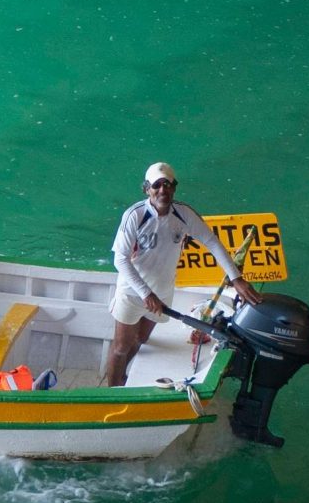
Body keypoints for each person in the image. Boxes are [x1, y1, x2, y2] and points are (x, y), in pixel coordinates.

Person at [103, 160, 259, 387]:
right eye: (156, 185)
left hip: (162, 292)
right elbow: (120, 260)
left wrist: (236, 279)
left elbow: (212, 242)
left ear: (174, 187)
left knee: (141, 338)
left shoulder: (184, 214)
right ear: (146, 189)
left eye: (168, 184)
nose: (162, 190)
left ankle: (123, 377)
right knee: (121, 347)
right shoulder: (135, 215)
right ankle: (113, 391)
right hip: (133, 292)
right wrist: (146, 294)